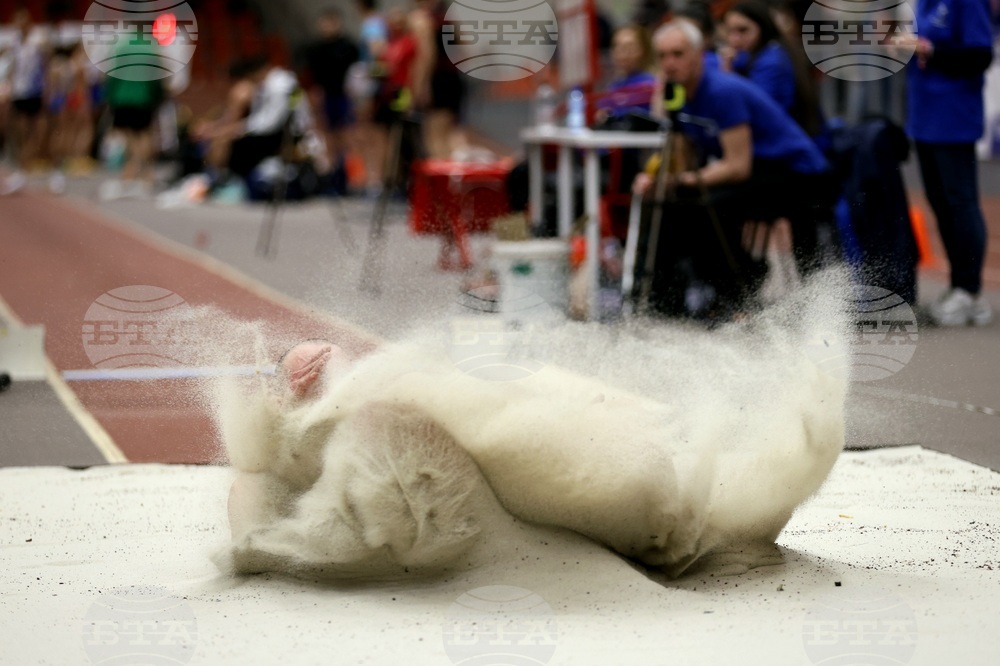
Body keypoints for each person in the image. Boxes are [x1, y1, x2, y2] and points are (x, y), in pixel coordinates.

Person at [635, 19, 832, 316]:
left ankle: (740, 297)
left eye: (677, 54)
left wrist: (683, 180)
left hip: (797, 172)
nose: (669, 64)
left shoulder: (721, 90)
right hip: (757, 169)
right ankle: (666, 305)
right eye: (662, 56)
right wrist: (663, 179)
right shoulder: (679, 93)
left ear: (698, 55)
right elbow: (681, 154)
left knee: (708, 207)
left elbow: (737, 167)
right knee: (668, 205)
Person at [901, 0, 993, 326]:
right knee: (941, 203)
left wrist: (929, 50)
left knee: (960, 202)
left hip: (953, 116)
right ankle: (959, 286)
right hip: (925, 115)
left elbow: (979, 56)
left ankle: (969, 290)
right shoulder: (924, 2)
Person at [720, 0, 824, 140]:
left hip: (791, 144)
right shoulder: (759, 53)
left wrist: (727, 75)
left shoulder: (772, 61)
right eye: (729, 31)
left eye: (743, 30)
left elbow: (754, 113)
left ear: (762, 27)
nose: (734, 39)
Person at [302, 8, 359, 195]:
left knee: (346, 136)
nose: (327, 27)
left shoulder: (348, 47)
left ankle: (347, 177)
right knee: (328, 137)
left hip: (343, 96)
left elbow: (356, 74)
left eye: (331, 23)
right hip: (325, 97)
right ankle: (333, 177)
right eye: (324, 24)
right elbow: (311, 78)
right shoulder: (315, 50)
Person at [2, 9, 48, 195]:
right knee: (19, 130)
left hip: (34, 91)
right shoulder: (15, 42)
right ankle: (23, 164)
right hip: (18, 91)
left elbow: (45, 65)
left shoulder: (37, 41)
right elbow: (12, 66)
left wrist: (47, 88)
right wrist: (9, 84)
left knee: (34, 130)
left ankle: (26, 164)